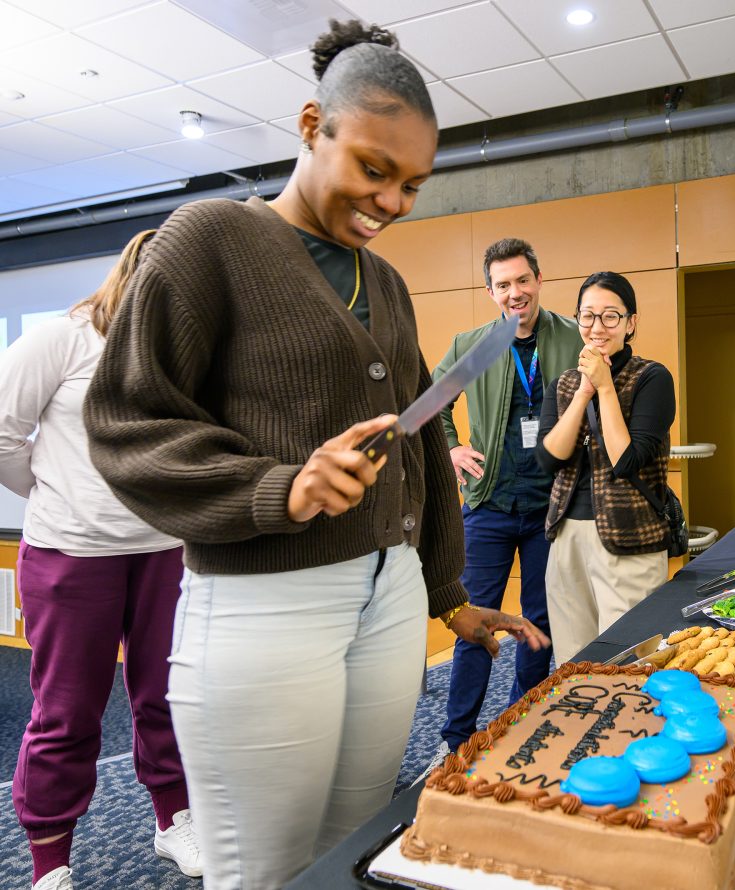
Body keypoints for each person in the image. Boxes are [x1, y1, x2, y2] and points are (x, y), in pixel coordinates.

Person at [81, 20, 547, 890]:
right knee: (263, 869)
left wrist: (450, 598)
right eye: (375, 169)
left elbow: (422, 445)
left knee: (354, 845)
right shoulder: (208, 240)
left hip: (392, 598)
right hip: (265, 603)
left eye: (413, 183)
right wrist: (278, 487)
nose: (395, 202)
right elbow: (126, 422)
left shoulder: (390, 284)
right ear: (309, 127)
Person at [0, 230, 200, 890]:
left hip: (162, 552)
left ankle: (174, 822)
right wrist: (51, 491)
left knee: (168, 699)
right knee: (67, 714)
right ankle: (50, 863)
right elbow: (1, 432)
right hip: (71, 556)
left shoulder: (179, 353)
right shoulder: (59, 339)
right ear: (134, 277)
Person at [434, 238, 582, 753]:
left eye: (522, 280)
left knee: (539, 623)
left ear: (538, 279)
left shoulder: (572, 336)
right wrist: (451, 450)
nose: (514, 292)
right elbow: (433, 405)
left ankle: (523, 721)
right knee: (476, 623)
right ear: (491, 291)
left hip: (551, 506)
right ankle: (457, 738)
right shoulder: (473, 346)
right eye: (503, 285)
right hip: (489, 505)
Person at [536, 271, 676, 665]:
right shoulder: (563, 385)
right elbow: (549, 459)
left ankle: (638, 727)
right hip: (566, 538)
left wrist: (606, 386)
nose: (598, 327)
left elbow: (627, 460)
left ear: (631, 323)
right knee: (573, 661)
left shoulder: (653, 377)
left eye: (610, 316)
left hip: (629, 541)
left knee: (628, 660)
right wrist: (584, 391)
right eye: (588, 316)